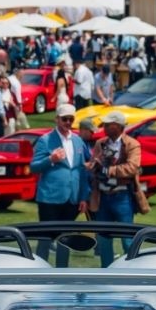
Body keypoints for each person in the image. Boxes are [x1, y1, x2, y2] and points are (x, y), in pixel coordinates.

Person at [29, 105, 91, 267]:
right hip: (50, 197)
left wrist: (83, 197)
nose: (68, 122)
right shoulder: (45, 140)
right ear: (57, 119)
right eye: (64, 119)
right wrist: (51, 159)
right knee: (45, 237)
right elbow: (34, 167)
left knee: (66, 238)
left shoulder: (78, 141)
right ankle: (40, 270)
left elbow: (82, 170)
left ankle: (62, 270)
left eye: (71, 119)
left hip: (72, 198)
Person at [87, 111, 142, 267]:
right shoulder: (100, 143)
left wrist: (108, 170)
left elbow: (132, 168)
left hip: (122, 196)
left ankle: (131, 271)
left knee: (127, 240)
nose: (104, 127)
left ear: (118, 126)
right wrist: (93, 166)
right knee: (104, 239)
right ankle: (107, 272)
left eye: (108, 124)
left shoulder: (132, 144)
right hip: (102, 197)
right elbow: (93, 164)